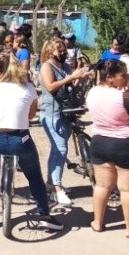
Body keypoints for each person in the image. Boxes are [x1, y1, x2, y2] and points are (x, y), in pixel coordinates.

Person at [0, 53, 63, 230]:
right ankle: (44, 214)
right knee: (34, 175)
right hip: (21, 138)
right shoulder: (28, 88)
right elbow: (31, 115)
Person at [86, 59, 129, 237]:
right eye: (123, 75)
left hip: (100, 143)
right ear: (110, 78)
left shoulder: (92, 92)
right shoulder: (127, 97)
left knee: (102, 186)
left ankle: (97, 222)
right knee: (128, 189)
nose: (128, 77)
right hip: (126, 146)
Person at [38, 38, 92, 205]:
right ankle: (57, 189)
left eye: (64, 49)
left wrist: (81, 77)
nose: (64, 52)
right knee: (61, 150)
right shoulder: (47, 66)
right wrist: (71, 77)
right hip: (52, 113)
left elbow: (70, 86)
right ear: (49, 51)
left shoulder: (65, 66)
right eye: (60, 50)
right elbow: (51, 87)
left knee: (57, 150)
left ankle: (49, 184)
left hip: (66, 112)